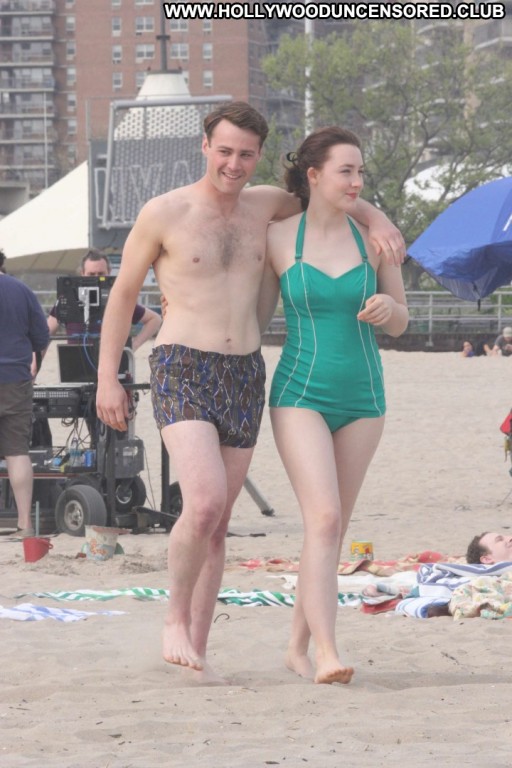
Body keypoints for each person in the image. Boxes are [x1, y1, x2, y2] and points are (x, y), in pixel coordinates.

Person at [95, 101, 405, 683]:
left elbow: (331, 191)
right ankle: (173, 619)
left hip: (243, 372)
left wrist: (378, 217)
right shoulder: (164, 212)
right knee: (205, 502)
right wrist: (107, 376)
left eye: (245, 154)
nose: (233, 164)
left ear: (259, 156)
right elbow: (123, 295)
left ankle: (198, 649)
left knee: (219, 523)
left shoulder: (266, 206)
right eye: (224, 151)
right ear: (204, 147)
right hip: (182, 364)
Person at [258, 126, 409, 684]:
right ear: (314, 175)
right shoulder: (278, 238)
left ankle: (296, 647)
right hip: (300, 393)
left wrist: (387, 307)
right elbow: (253, 319)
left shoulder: (375, 239)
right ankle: (327, 651)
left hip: (364, 397)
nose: (357, 181)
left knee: (332, 527)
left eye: (361, 172)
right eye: (346, 171)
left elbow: (403, 321)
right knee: (322, 517)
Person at [0, 261, 50, 536]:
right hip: (16, 380)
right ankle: (25, 524)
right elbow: (41, 337)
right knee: (17, 452)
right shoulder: (22, 290)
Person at [47, 250, 161, 352]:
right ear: (82, 273)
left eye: (101, 274)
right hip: (76, 363)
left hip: (113, 363)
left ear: (109, 272)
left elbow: (154, 319)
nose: (96, 278)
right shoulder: (68, 300)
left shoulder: (118, 299)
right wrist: (37, 363)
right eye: (91, 274)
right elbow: (46, 333)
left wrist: (133, 346)